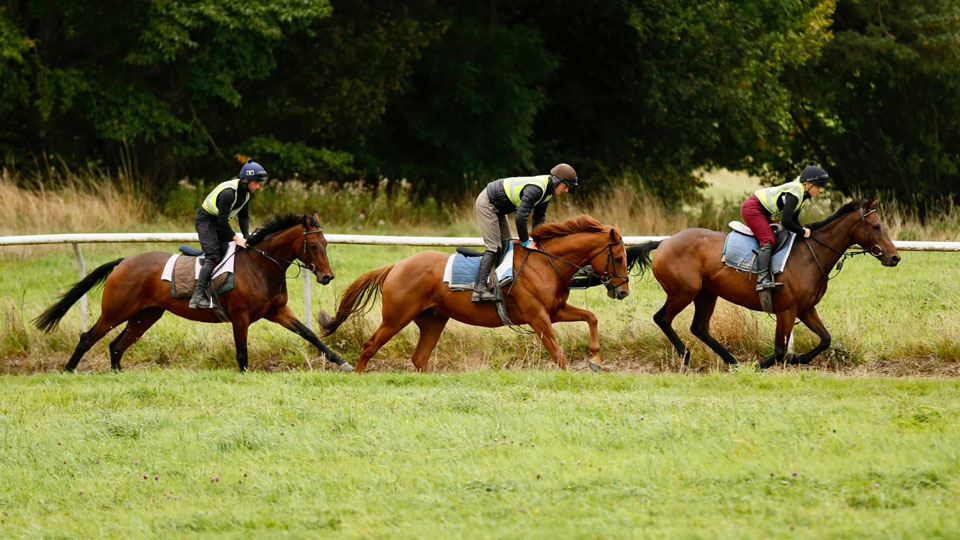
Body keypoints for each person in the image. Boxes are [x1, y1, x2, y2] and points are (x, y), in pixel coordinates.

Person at [472, 163, 578, 302]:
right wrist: (525, 241)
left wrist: (539, 240)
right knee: (494, 247)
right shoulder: (537, 189)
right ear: (557, 180)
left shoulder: (548, 192)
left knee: (507, 245)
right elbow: (521, 216)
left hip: (499, 208)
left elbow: (538, 218)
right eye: (567, 185)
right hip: (488, 203)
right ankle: (479, 289)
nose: (566, 190)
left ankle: (495, 284)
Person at [189, 158, 266, 309]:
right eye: (256, 182)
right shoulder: (229, 194)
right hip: (206, 221)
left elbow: (243, 217)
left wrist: (246, 236)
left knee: (225, 251)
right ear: (245, 180)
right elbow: (222, 222)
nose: (258, 186)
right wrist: (236, 238)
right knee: (213, 255)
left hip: (218, 222)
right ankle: (197, 296)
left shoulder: (247, 194)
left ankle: (218, 290)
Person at [740, 162, 829, 292]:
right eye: (818, 186)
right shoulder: (796, 192)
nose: (820, 190)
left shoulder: (802, 194)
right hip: (753, 209)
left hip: (764, 212)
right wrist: (802, 231)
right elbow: (787, 222)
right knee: (768, 240)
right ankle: (762, 280)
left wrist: (803, 232)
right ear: (808, 184)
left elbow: (793, 219)